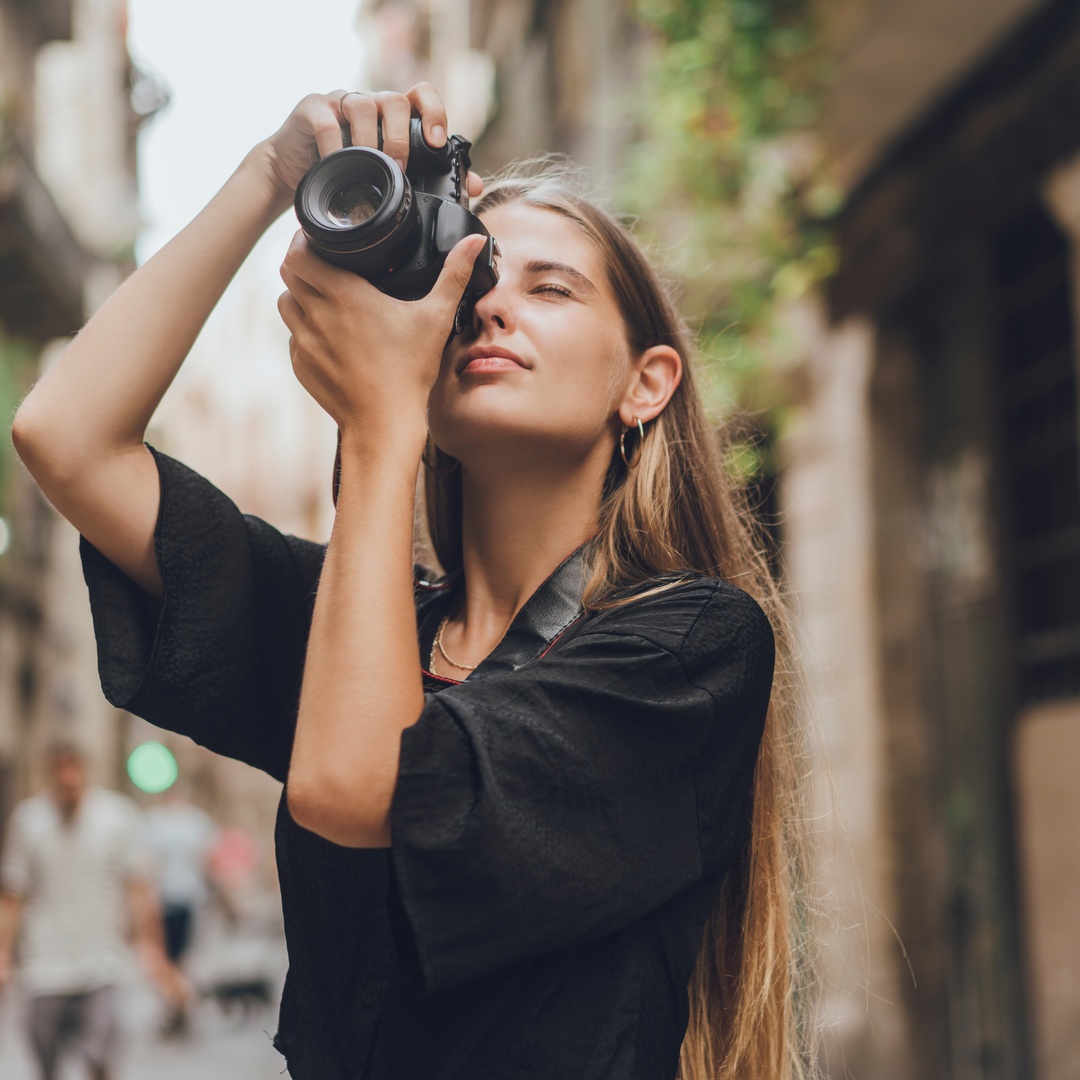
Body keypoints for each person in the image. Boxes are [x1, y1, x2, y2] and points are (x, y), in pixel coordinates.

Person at [12, 85, 817, 1079]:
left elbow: (361, 786)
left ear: (643, 382)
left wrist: (380, 425)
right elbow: (66, 437)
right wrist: (270, 175)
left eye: (549, 288)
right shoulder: (366, 627)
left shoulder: (691, 644)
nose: (491, 307)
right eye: (472, 281)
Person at [0, 741, 183, 1080]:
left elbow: (140, 889)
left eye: (74, 769)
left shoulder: (118, 817)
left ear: (85, 771)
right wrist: (3, 954)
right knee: (46, 1063)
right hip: (44, 966)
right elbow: (12, 894)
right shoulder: (28, 821)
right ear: (51, 773)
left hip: (103, 963)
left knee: (100, 1059)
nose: (68, 779)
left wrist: (152, 948)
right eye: (61, 770)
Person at [145, 784, 219, 1035]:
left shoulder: (196, 821)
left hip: (188, 897)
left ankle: (180, 1003)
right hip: (164, 898)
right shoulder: (155, 821)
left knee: (181, 957)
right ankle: (179, 1001)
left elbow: (207, 861)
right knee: (167, 958)